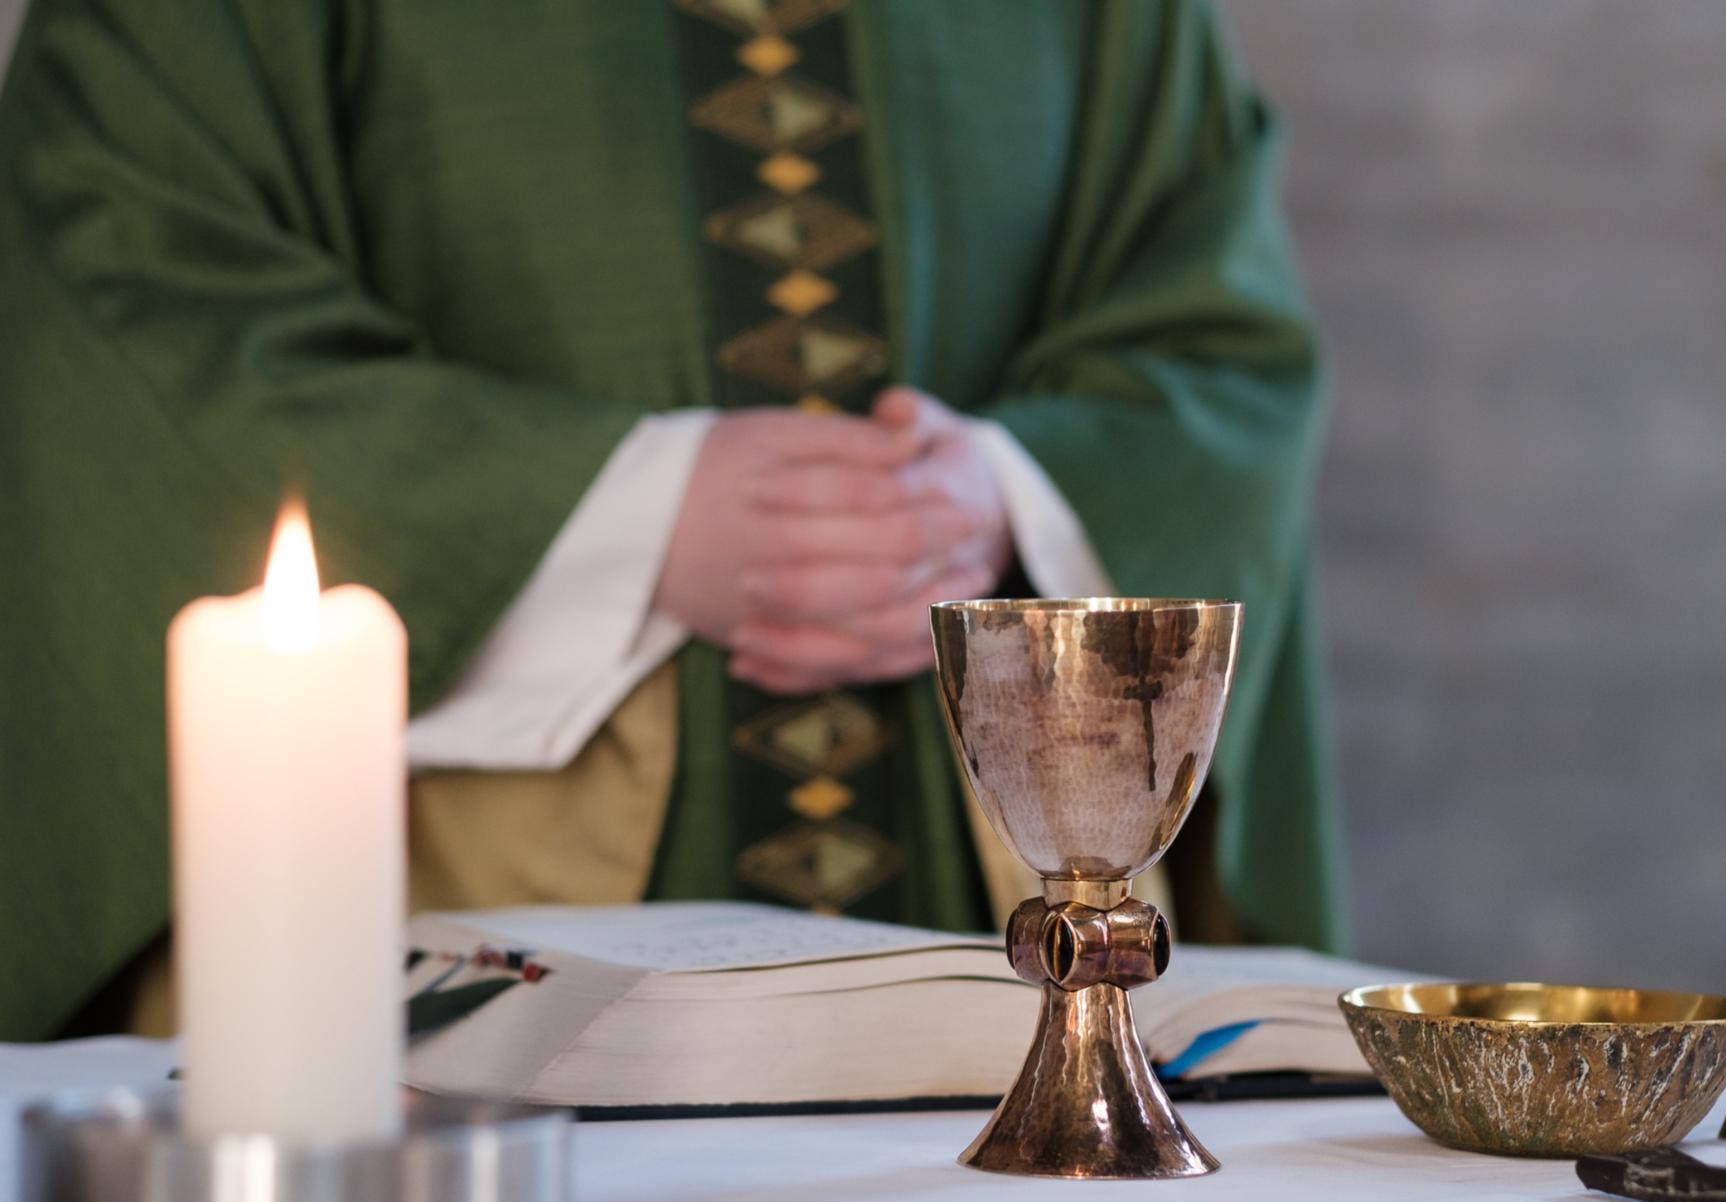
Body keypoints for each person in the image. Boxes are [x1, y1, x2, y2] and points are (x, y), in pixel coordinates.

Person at [0, 0, 1346, 1041]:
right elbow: (121, 275)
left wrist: (998, 498)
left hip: (994, 952)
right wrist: (627, 513)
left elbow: (1217, 341)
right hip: (445, 946)